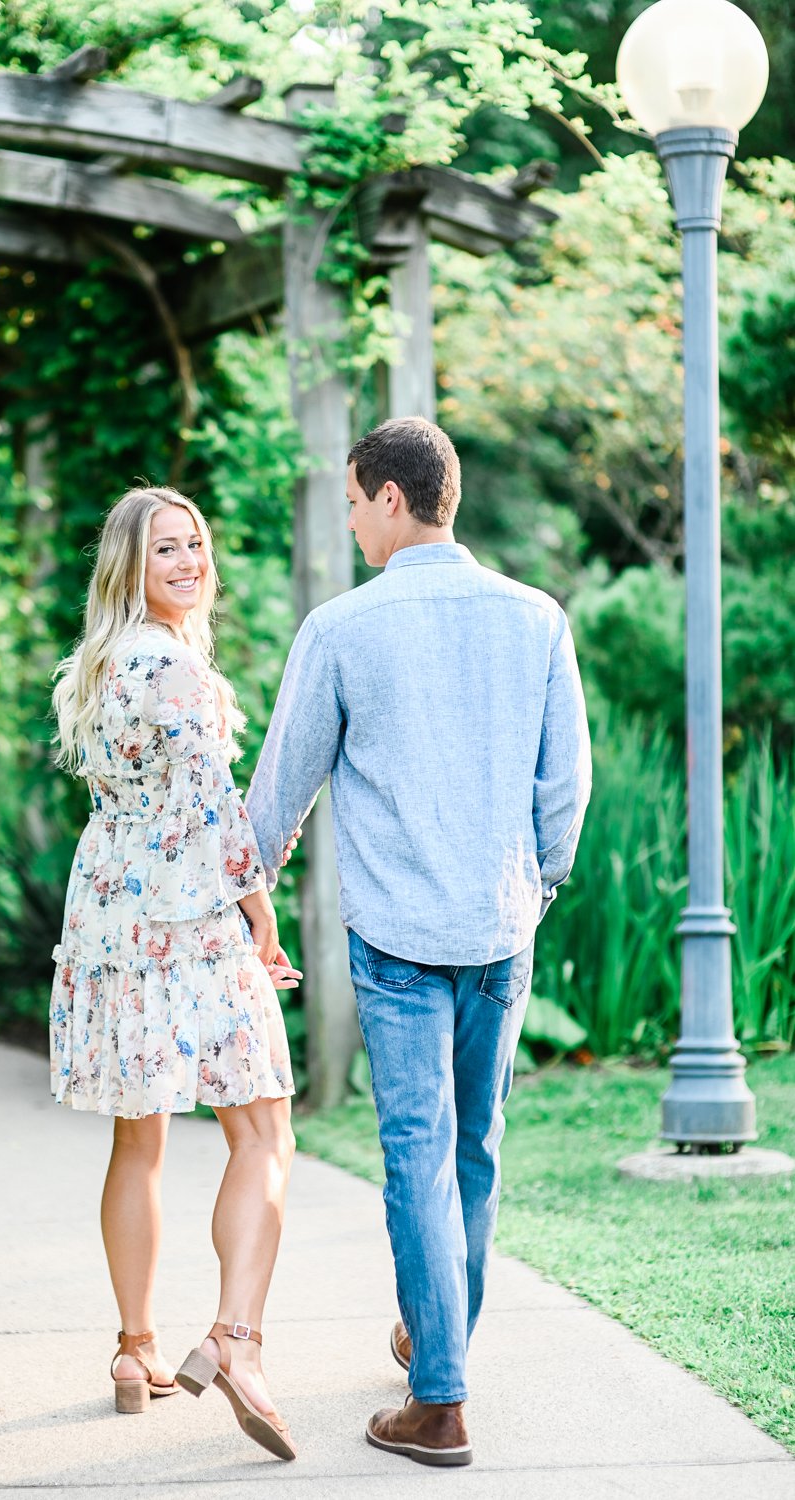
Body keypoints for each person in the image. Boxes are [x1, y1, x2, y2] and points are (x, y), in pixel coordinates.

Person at [246, 417, 592, 1468]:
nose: (350, 522)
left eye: (353, 502)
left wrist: (238, 899)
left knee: (417, 1157)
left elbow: (277, 794)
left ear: (391, 498)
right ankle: (432, 1331)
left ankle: (436, 1401)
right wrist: (527, 893)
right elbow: (563, 791)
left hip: (397, 940)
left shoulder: (341, 629)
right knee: (474, 1151)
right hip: (498, 933)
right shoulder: (536, 619)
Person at [49, 486, 301, 1462]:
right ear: (130, 566)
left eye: (194, 544)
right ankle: (234, 1339)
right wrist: (264, 922)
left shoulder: (100, 664)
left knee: (139, 1137)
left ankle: (133, 1349)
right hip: (185, 919)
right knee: (262, 1126)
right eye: (166, 550)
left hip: (112, 915)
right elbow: (215, 813)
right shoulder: (177, 670)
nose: (188, 562)